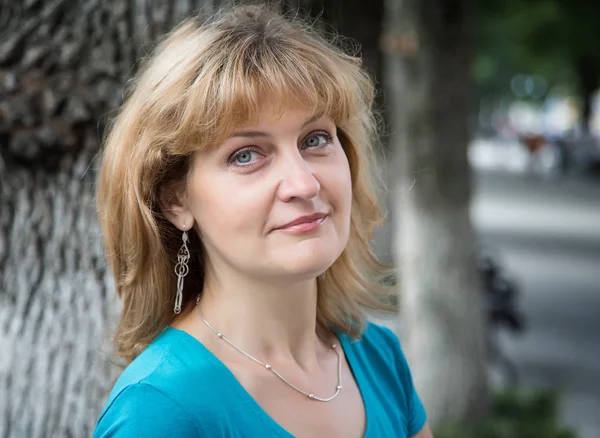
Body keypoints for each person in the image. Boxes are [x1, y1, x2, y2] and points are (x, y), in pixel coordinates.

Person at [94, 4, 431, 438]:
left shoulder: (379, 357)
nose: (303, 184)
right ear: (176, 201)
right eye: (246, 155)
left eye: (315, 139)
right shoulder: (160, 410)